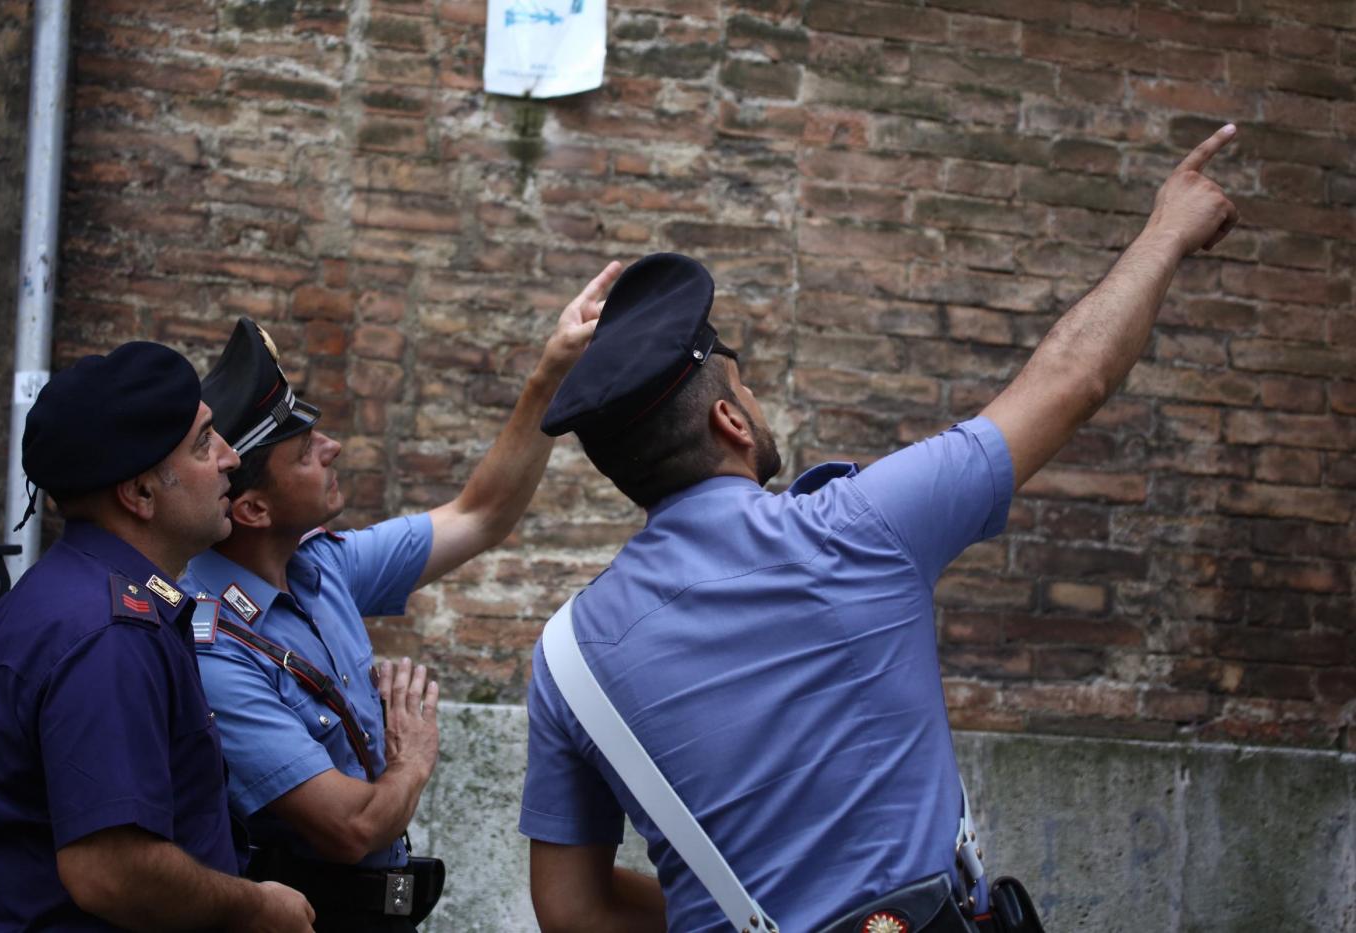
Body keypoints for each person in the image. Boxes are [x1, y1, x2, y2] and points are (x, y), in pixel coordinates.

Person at [520, 125, 1240, 931]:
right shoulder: (856, 528)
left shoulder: (566, 661)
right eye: (745, 385)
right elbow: (1077, 375)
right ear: (729, 418)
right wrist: (1167, 232)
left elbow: (571, 908)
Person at [179, 263, 621, 931]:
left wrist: (551, 371)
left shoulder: (322, 566)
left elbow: (482, 513)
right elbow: (348, 828)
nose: (330, 448)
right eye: (304, 452)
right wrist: (412, 756)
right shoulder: (211, 649)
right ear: (253, 508)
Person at [0, 342, 315, 932]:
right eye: (204, 443)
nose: (230, 457)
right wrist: (257, 909)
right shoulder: (108, 633)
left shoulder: (70, 598)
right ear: (140, 494)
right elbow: (111, 870)